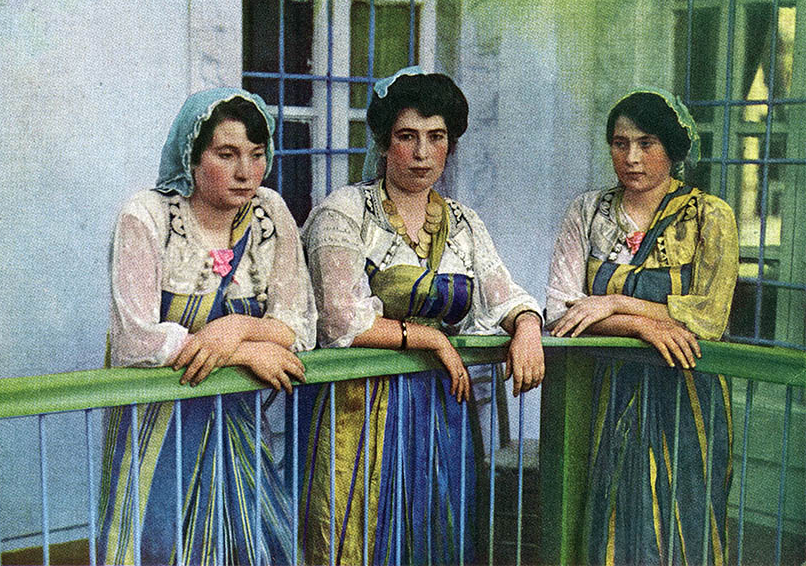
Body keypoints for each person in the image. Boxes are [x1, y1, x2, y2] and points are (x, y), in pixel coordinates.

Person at [300, 66, 545, 565]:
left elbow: (504, 294)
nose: (421, 153)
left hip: (441, 409)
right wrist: (434, 341)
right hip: (361, 401)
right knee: (354, 536)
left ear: (450, 145)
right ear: (383, 142)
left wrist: (526, 327)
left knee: (439, 534)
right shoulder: (345, 212)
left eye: (436, 138)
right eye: (406, 137)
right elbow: (344, 320)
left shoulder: (462, 222)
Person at [98, 88, 317, 565]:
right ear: (191, 156)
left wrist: (234, 328)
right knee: (158, 547)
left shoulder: (270, 213)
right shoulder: (147, 217)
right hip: (160, 424)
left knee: (258, 544)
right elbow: (134, 339)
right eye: (227, 154)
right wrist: (243, 353)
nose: (246, 172)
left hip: (238, 421)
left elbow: (298, 324)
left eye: (257, 156)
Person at [546, 88, 738, 564]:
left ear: (672, 148)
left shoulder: (709, 216)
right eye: (619, 142)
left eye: (646, 143)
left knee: (685, 515)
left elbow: (710, 316)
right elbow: (559, 311)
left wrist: (612, 304)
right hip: (607, 387)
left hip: (687, 392)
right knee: (611, 510)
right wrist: (643, 327)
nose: (631, 157)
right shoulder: (587, 212)